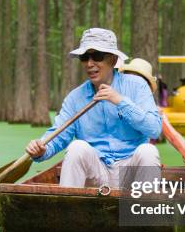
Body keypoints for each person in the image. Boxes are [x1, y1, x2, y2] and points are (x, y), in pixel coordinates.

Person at [25, 28, 162, 189]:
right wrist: (41, 149)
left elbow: (154, 129)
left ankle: (145, 212)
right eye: (84, 57)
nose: (90, 64)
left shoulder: (137, 86)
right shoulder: (75, 97)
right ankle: (67, 209)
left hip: (131, 173)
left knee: (148, 151)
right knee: (77, 147)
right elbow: (59, 135)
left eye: (97, 56)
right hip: (97, 173)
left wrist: (120, 101)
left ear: (112, 59)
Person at [120, 58, 185, 166]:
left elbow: (173, 135)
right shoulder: (115, 103)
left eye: (138, 80)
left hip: (141, 163)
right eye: (129, 79)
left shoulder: (154, 111)